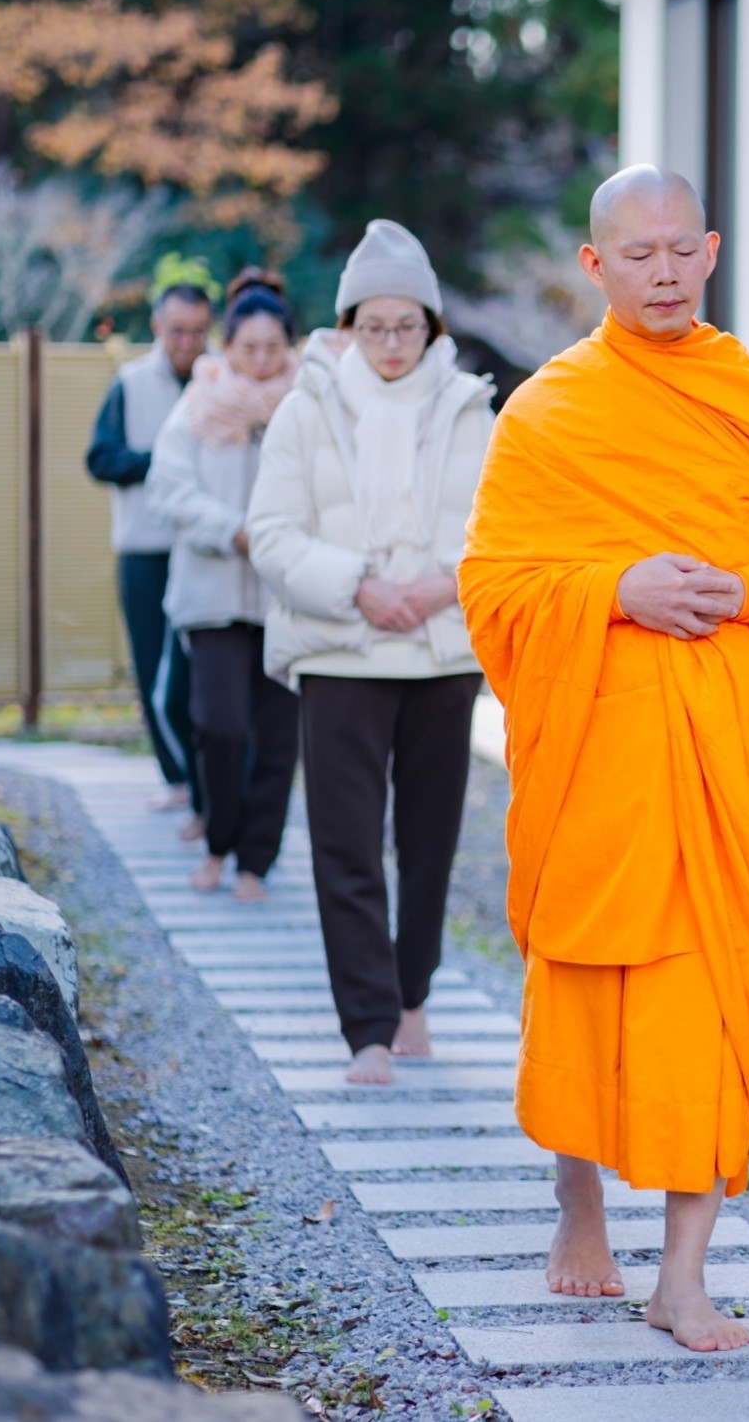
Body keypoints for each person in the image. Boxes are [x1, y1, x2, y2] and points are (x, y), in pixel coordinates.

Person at [456, 166, 749, 1352]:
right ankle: (579, 1206)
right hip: (601, 755)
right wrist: (615, 585)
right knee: (592, 990)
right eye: (634, 254)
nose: (661, 272)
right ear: (595, 269)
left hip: (730, 760)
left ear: (709, 252)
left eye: (678, 250)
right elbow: (494, 587)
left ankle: (684, 1275)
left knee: (711, 1008)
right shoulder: (550, 414)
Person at [247, 221, 496, 1084]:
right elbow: (272, 534)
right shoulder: (306, 407)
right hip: (339, 651)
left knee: (429, 840)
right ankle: (368, 1029)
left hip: (440, 653)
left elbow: (504, 530)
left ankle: (413, 994)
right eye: (374, 325)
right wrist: (359, 584)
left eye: (408, 326)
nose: (391, 343)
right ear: (346, 325)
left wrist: (438, 585)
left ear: (432, 326)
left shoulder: (473, 409)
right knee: (344, 843)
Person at [148, 270, 302, 902]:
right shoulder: (197, 404)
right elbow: (170, 490)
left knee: (277, 737)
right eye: (249, 347)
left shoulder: (309, 404)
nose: (262, 360)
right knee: (219, 725)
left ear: (288, 346)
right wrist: (234, 530)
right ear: (227, 345)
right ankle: (218, 841)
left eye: (273, 348)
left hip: (285, 597)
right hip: (211, 594)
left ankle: (253, 863)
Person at [87, 282, 212, 833]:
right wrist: (164, 463)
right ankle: (176, 781)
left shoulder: (223, 380)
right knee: (151, 666)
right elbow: (101, 457)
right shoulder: (130, 383)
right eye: (178, 330)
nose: (188, 342)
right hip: (145, 549)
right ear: (159, 327)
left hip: (206, 549)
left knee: (201, 674)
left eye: (199, 331)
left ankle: (207, 785)